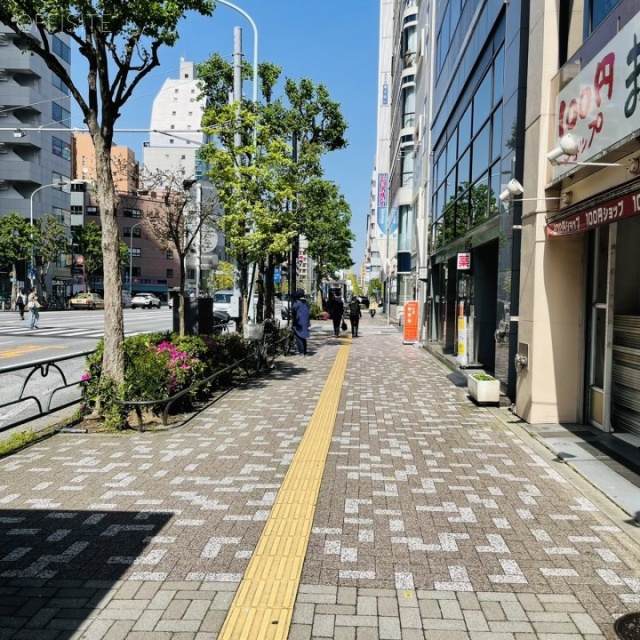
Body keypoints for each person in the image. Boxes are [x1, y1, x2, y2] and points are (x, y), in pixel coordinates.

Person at [291, 288, 311, 356]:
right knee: (303, 337)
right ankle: (304, 351)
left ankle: (301, 351)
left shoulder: (297, 303)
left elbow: (293, 312)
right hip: (305, 322)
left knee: (298, 335)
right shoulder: (306, 303)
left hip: (298, 323)